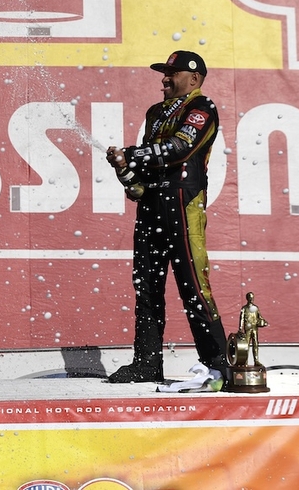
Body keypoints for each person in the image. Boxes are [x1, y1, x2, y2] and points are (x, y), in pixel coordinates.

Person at [106, 50, 228, 383]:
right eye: (164, 72)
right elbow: (142, 177)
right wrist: (126, 174)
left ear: (194, 79)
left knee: (193, 285)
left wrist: (130, 155)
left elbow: (180, 148)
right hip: (152, 206)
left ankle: (219, 364)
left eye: (172, 73)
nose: (164, 79)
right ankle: (147, 363)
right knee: (145, 286)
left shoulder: (202, 108)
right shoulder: (155, 112)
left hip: (183, 204)